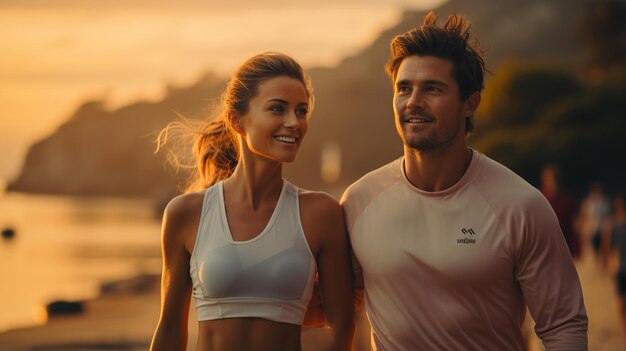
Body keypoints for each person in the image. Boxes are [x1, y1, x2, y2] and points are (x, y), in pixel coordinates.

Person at [340, 12, 588, 350]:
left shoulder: (521, 205)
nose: (413, 101)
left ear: (470, 103)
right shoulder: (358, 200)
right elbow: (327, 307)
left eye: (432, 89)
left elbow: (563, 325)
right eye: (404, 88)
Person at [150, 52, 354, 351]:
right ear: (237, 120)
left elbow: (340, 331)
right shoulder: (186, 213)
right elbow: (169, 331)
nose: (294, 122)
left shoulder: (321, 213)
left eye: (301, 111)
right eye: (277, 109)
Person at [540, 164, 581, 259]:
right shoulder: (538, 199)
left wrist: (576, 248)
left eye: (555, 179)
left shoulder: (567, 200)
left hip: (562, 250)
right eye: (549, 179)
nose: (553, 182)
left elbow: (572, 227)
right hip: (542, 250)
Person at [601, 193, 626, 331]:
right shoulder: (612, 223)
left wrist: (605, 263)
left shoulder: (612, 223)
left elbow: (607, 245)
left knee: (620, 300)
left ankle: (623, 326)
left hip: (619, 267)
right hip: (619, 266)